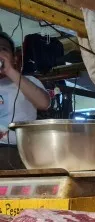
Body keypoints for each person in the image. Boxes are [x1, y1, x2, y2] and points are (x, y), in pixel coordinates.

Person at [0, 32, 50, 169]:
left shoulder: (28, 81)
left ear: (15, 58)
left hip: (19, 149)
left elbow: (44, 103)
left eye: (3, 49)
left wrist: (10, 71)